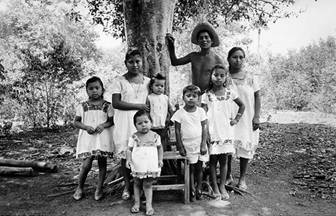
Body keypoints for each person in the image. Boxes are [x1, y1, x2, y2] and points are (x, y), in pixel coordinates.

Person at [201, 65, 245, 200]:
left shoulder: (230, 93)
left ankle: (222, 186)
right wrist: (206, 133)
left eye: (221, 75)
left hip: (226, 131)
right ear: (211, 76)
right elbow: (203, 115)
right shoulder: (206, 95)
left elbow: (242, 105)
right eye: (216, 75)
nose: (218, 78)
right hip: (212, 131)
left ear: (226, 77)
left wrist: (236, 119)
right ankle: (214, 186)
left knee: (224, 160)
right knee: (213, 161)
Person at [111, 47, 150, 200]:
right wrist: (137, 106)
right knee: (126, 154)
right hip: (124, 122)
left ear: (142, 62)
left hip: (142, 122)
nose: (135, 65)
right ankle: (127, 186)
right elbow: (116, 103)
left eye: (137, 61)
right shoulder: (119, 81)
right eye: (131, 62)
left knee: (143, 153)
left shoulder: (148, 81)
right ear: (125, 63)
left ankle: (141, 185)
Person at [73, 76, 114, 201]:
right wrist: (85, 127)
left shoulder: (108, 105)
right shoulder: (82, 106)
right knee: (86, 164)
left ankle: (99, 188)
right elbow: (76, 122)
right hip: (88, 138)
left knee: (102, 162)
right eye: (91, 88)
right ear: (87, 91)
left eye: (97, 88)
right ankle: (79, 187)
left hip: (103, 137)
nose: (94, 91)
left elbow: (111, 121)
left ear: (102, 89)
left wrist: (103, 125)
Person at [226, 47, 261, 190]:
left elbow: (257, 96)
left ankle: (242, 178)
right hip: (228, 117)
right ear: (228, 59)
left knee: (245, 146)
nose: (238, 60)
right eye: (235, 57)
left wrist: (257, 116)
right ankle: (227, 175)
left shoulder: (251, 77)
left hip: (246, 117)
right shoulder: (224, 76)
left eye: (241, 57)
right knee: (226, 145)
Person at [171, 85, 208, 201]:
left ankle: (199, 188)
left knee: (199, 167)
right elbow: (177, 130)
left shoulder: (201, 111)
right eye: (188, 96)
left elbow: (204, 127)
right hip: (188, 145)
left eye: (194, 96)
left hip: (199, 144)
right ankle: (191, 188)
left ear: (198, 98)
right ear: (183, 97)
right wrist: (180, 146)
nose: (191, 98)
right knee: (190, 167)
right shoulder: (179, 113)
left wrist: (203, 144)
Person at [166, 22, 224, 93]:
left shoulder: (217, 60)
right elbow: (175, 62)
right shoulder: (193, 56)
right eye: (201, 38)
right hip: (195, 94)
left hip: (209, 95)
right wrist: (171, 46)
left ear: (211, 41)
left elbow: (223, 80)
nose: (204, 40)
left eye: (206, 37)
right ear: (198, 41)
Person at [126, 110, 163, 216]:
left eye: (146, 122)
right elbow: (129, 149)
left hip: (150, 164)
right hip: (138, 165)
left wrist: (160, 159)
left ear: (151, 122)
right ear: (135, 125)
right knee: (137, 183)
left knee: (147, 184)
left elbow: (160, 148)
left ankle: (149, 205)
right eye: (140, 123)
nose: (143, 125)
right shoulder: (134, 137)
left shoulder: (155, 136)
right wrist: (128, 160)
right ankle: (137, 203)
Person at [146, 73, 173, 150]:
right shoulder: (149, 98)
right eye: (157, 85)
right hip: (152, 126)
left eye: (162, 86)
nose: (159, 88)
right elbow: (147, 111)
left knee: (163, 143)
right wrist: (148, 121)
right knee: (153, 144)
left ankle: (163, 159)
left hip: (164, 126)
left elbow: (170, 109)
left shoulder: (165, 98)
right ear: (151, 87)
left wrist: (171, 119)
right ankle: (154, 159)